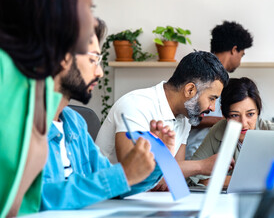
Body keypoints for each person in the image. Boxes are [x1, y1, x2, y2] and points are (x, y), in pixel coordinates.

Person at [41, 19, 175, 210]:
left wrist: (154, 160)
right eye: (94, 59)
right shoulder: (22, 125)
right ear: (63, 58)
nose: (100, 72)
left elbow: (113, 185)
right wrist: (122, 175)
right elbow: (34, 200)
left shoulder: (74, 123)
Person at [0, 0, 95, 217]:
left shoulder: (38, 86)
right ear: (58, 8)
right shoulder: (4, 72)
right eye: (89, 8)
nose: (93, 21)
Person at [96, 51, 229, 190]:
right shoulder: (135, 105)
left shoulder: (184, 118)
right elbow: (133, 174)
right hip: (109, 199)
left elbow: (173, 179)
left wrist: (164, 176)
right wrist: (201, 166)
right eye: (211, 98)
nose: (212, 108)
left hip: (145, 199)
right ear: (190, 90)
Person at [190, 78, 274, 186]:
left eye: (250, 114)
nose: (243, 123)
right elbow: (190, 177)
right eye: (235, 115)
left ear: (258, 112)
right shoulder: (219, 130)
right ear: (225, 116)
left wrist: (273, 182)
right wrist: (234, 182)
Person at [185, 21, 253, 159]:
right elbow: (185, 117)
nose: (240, 60)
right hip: (196, 154)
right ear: (234, 50)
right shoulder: (200, 73)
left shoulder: (222, 79)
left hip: (214, 157)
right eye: (242, 54)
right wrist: (226, 120)